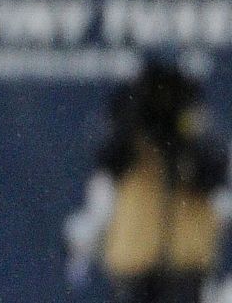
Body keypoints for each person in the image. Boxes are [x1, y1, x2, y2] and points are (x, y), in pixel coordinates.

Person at [63, 57, 230, 302]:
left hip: (187, 267)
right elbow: (107, 161)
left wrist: (186, 134)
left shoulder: (196, 131)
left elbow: (214, 173)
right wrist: (134, 120)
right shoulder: (129, 134)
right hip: (134, 266)